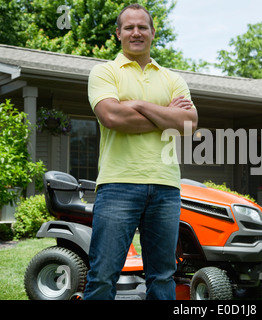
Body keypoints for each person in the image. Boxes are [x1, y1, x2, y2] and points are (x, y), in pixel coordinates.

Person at [83, 3, 198, 300]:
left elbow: (187, 125)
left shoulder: (172, 79)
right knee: (103, 275)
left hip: (166, 186)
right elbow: (113, 118)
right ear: (118, 33)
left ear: (153, 33)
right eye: (129, 27)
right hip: (118, 183)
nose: (136, 32)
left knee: (163, 276)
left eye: (142, 27)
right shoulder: (104, 72)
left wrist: (139, 105)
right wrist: (165, 115)